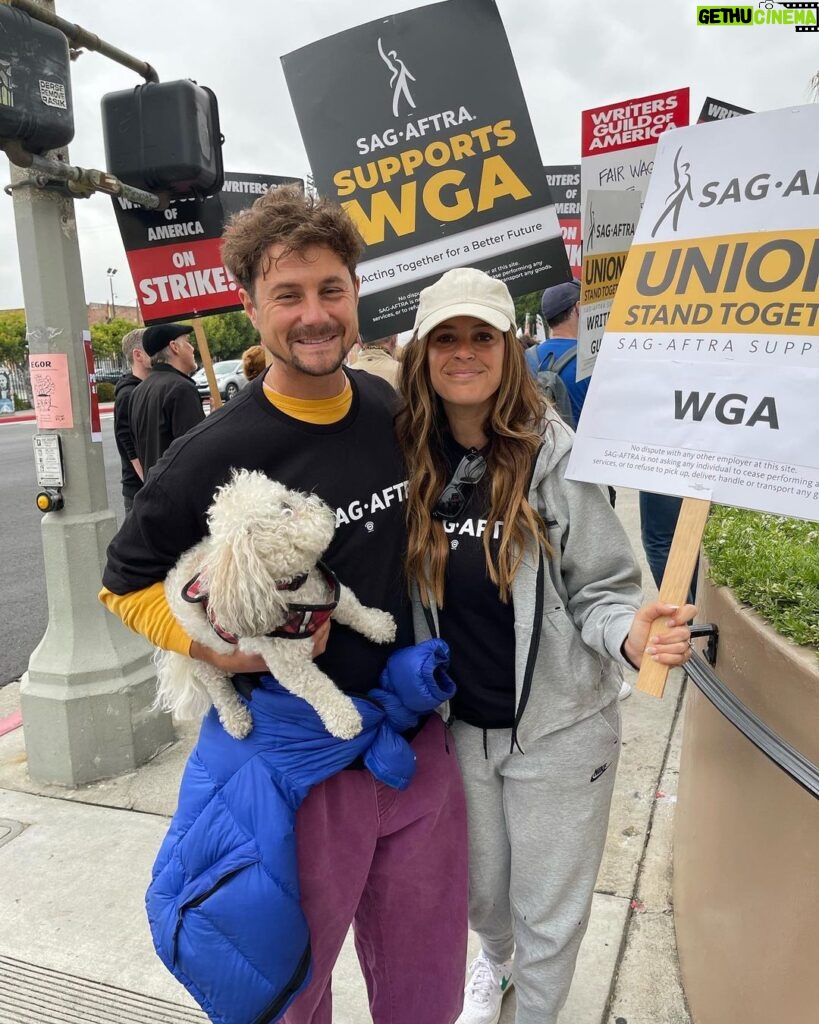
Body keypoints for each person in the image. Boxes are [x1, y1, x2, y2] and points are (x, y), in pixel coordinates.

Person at [99, 186, 467, 1024]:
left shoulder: (388, 408)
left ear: (355, 291)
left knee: (426, 987)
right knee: (294, 997)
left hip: (414, 737)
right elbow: (122, 585)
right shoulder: (214, 452)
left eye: (330, 289)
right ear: (251, 307)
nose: (313, 315)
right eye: (288, 295)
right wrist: (223, 655)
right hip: (297, 761)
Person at [396, 267, 696, 1024]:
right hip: (456, 729)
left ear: (508, 348)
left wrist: (628, 635)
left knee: (548, 912)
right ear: (423, 353)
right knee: (483, 895)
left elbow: (600, 589)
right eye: (447, 338)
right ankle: (495, 968)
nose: (464, 352)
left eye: (482, 337)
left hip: (561, 730)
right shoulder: (402, 462)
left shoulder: (551, 453)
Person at [127, 322, 204, 477]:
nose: (192, 348)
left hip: (155, 489)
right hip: (180, 491)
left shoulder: (138, 391)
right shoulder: (181, 389)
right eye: (188, 342)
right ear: (174, 347)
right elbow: (195, 450)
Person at [526, 279, 587, 428]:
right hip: (578, 449)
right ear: (578, 308)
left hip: (537, 449)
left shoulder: (524, 359)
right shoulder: (591, 361)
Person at [113, 327, 150, 511]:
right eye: (151, 346)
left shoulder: (147, 388)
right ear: (138, 354)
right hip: (138, 491)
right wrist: (149, 483)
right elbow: (127, 441)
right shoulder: (128, 394)